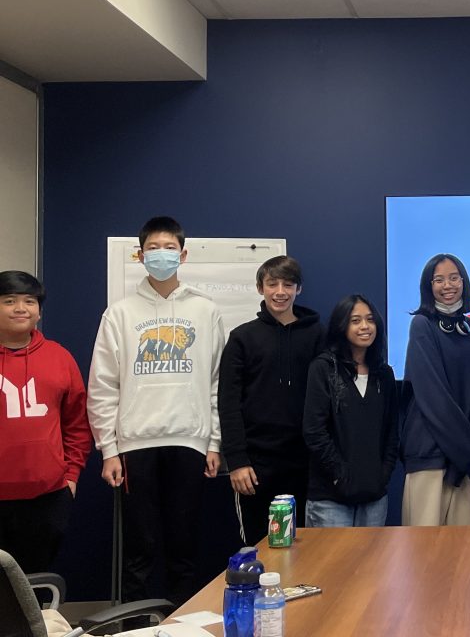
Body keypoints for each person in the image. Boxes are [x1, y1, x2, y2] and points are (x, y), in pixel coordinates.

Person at [87, 216, 224, 605]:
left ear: (182, 254)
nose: (161, 255)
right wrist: (109, 449)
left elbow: (217, 383)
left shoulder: (206, 310)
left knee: (184, 548)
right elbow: (102, 385)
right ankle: (132, 627)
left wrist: (214, 441)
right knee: (139, 550)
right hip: (135, 445)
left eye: (169, 248)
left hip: (190, 441)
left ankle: (184, 626)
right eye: (152, 248)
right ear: (139, 254)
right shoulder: (119, 313)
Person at [218, 255, 323, 545]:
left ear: (298, 289)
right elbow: (228, 403)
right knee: (260, 546)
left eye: (288, 284)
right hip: (255, 466)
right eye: (272, 283)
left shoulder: (317, 335)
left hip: (306, 464)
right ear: (260, 288)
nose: (280, 291)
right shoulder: (241, 338)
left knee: (306, 548)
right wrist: (237, 461)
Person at [0, 271, 91, 574]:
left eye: (29, 301)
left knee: (33, 585)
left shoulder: (59, 357)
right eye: (9, 300)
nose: (20, 308)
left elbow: (77, 423)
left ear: (39, 311)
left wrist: (71, 476)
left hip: (48, 497)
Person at [401, 254, 470, 526]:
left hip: (464, 459)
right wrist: (464, 449)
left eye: (453, 278)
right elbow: (432, 394)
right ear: (429, 286)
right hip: (430, 452)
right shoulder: (422, 325)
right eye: (438, 279)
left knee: (462, 552)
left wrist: (469, 452)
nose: (447, 285)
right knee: (423, 551)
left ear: (464, 282)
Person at [303, 294, 398, 527]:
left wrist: (382, 476)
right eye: (356, 321)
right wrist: (339, 476)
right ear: (341, 326)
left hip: (374, 498)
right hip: (330, 499)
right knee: (334, 565)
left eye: (370, 319)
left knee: (373, 564)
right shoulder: (323, 368)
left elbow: (392, 432)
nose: (365, 326)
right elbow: (314, 431)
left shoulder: (384, 374)